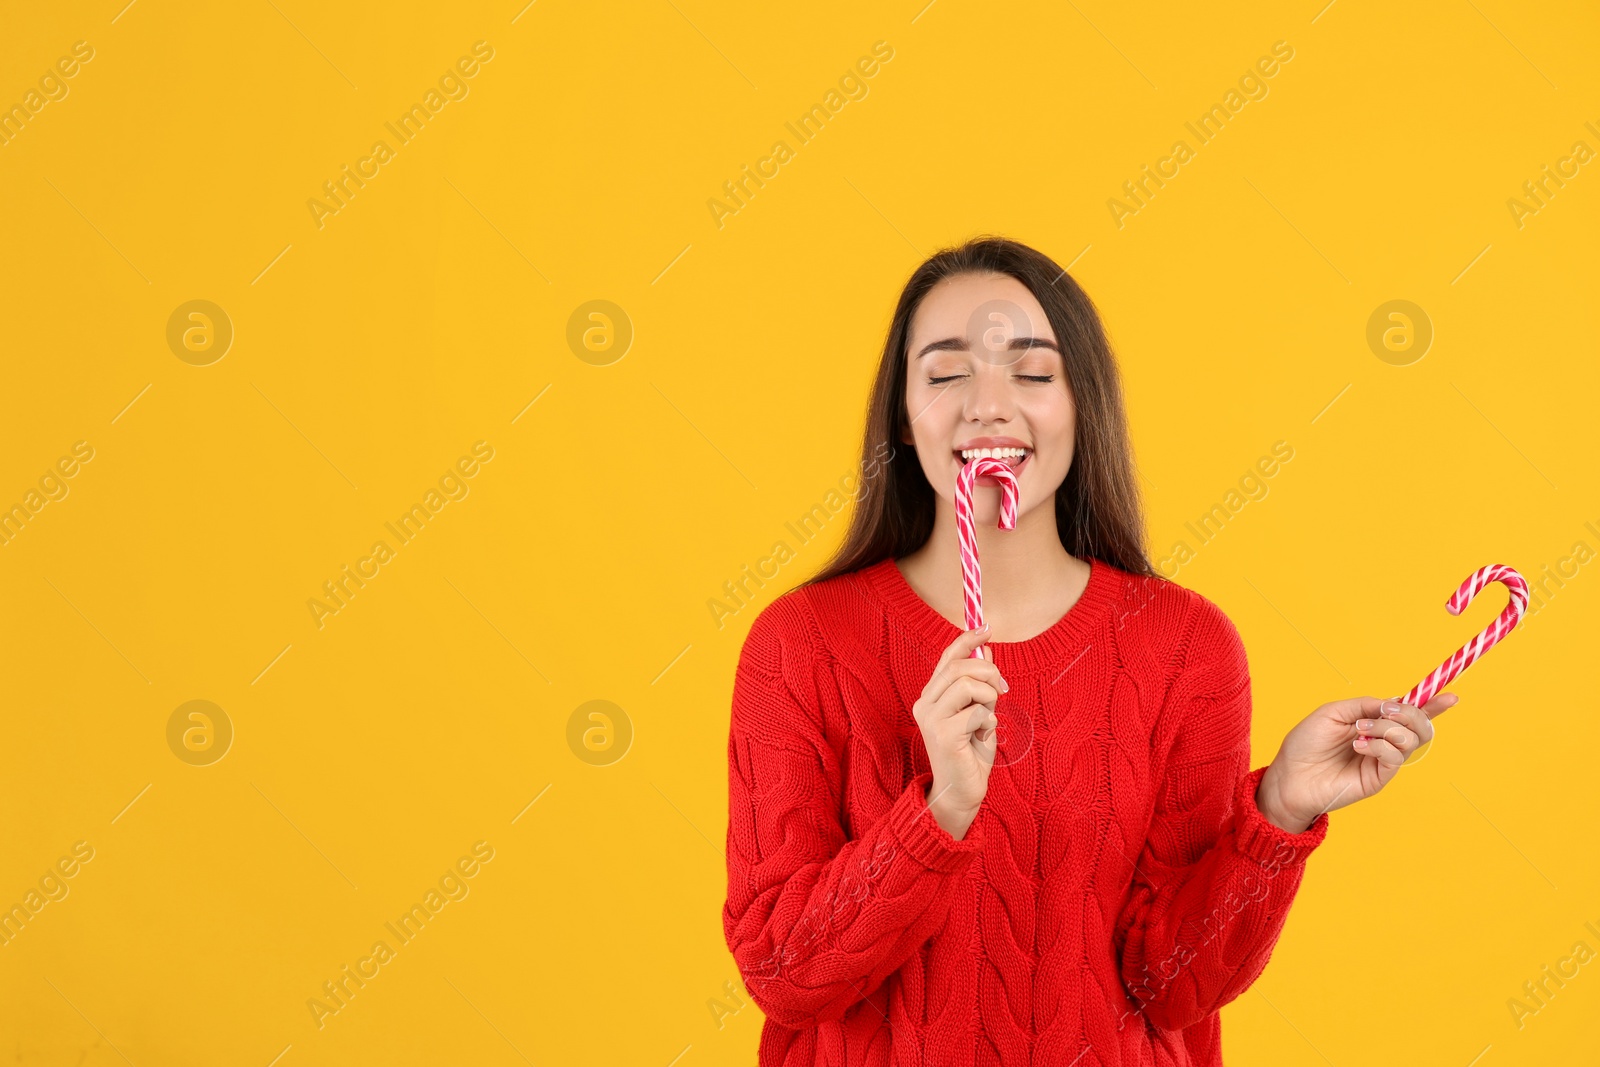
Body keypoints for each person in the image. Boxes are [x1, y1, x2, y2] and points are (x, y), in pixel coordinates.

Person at [721, 236, 1455, 1066]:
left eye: (1032, 374)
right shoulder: (801, 644)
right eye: (946, 372)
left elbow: (1172, 983)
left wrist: (1278, 811)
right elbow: (782, 972)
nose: (988, 406)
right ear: (903, 413)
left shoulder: (1185, 647)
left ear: (1082, 404)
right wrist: (936, 815)